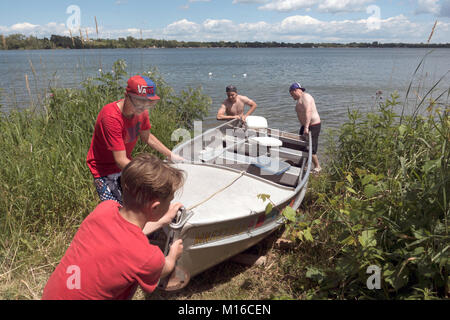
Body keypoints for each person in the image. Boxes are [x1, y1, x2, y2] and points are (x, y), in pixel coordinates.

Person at [42, 154, 185, 300]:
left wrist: (162, 220)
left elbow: (125, 236)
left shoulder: (104, 209)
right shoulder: (148, 257)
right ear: (155, 207)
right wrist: (173, 255)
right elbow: (163, 268)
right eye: (169, 201)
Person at [86, 75, 184, 205]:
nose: (143, 107)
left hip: (126, 163)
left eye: (148, 103)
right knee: (116, 208)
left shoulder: (141, 112)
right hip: (103, 170)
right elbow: (120, 160)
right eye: (139, 102)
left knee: (137, 203)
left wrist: (171, 155)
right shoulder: (110, 116)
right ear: (127, 96)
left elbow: (147, 136)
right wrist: (150, 176)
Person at [289, 82, 322, 174]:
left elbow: (308, 111)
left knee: (311, 148)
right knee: (301, 145)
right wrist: (304, 126)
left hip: (313, 126)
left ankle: (318, 167)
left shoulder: (306, 97)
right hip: (305, 126)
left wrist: (306, 127)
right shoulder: (300, 99)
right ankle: (303, 165)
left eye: (292, 94)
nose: (292, 97)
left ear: (295, 90)